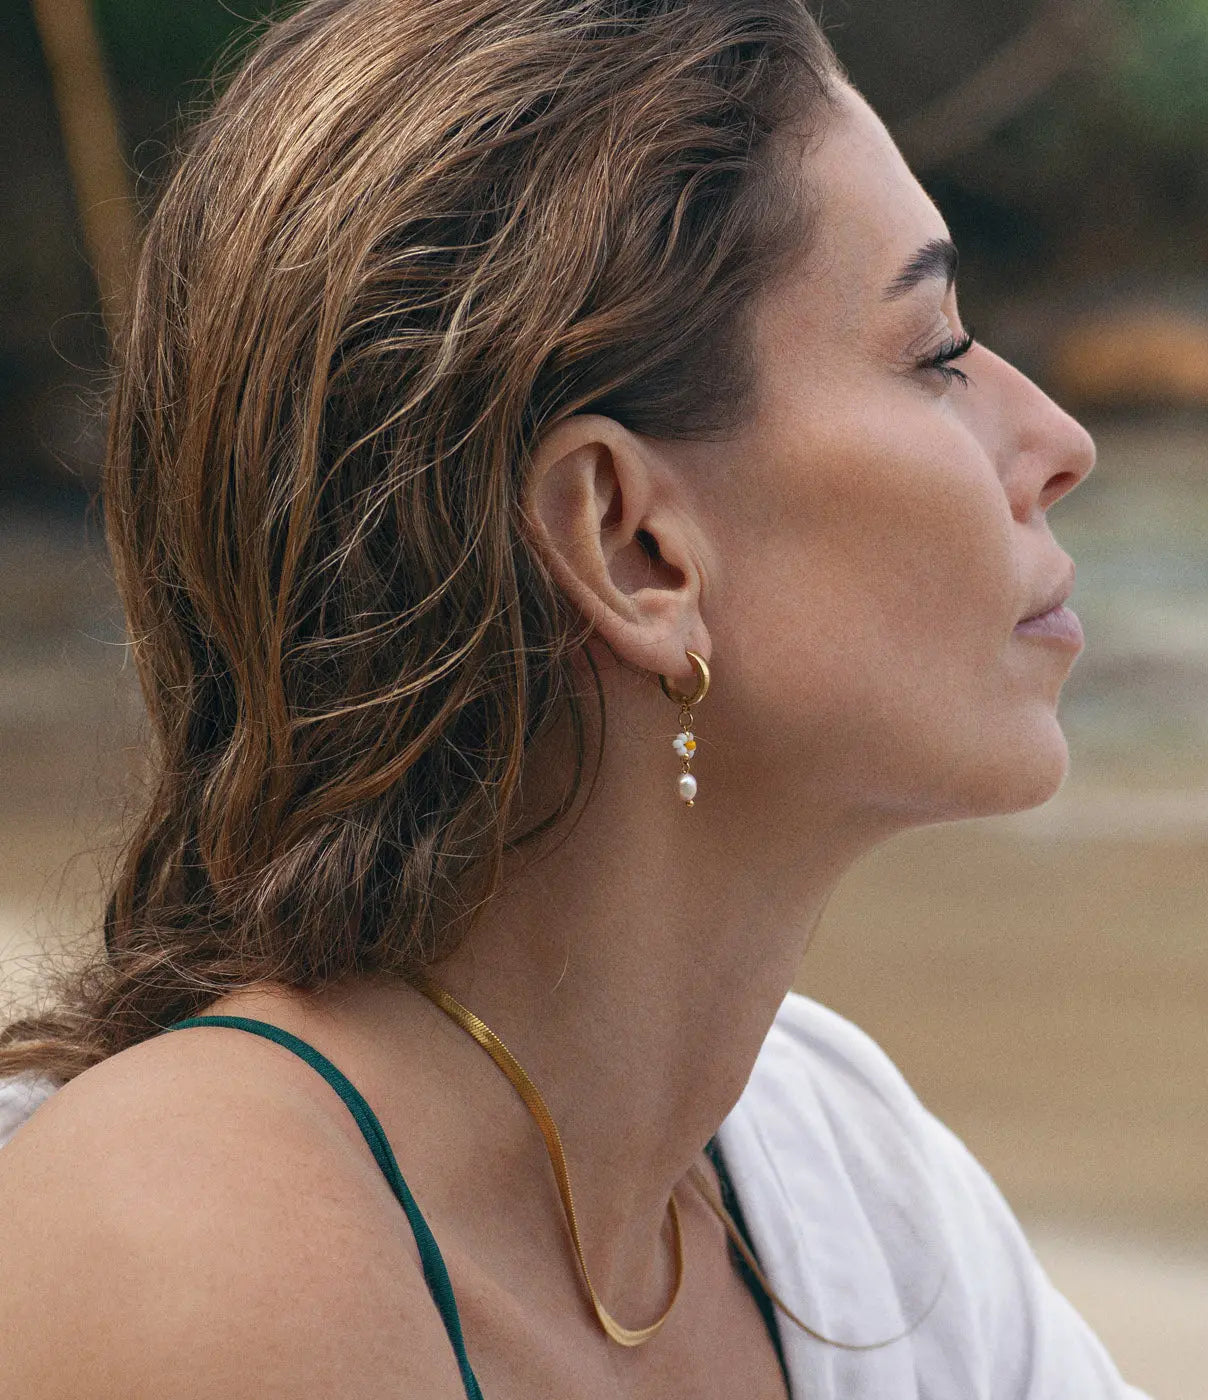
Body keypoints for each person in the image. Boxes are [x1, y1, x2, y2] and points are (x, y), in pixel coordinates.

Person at [0, 2, 1147, 1396]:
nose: (1059, 441)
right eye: (937, 352)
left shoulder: (845, 1170)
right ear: (630, 544)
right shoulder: (191, 1262)